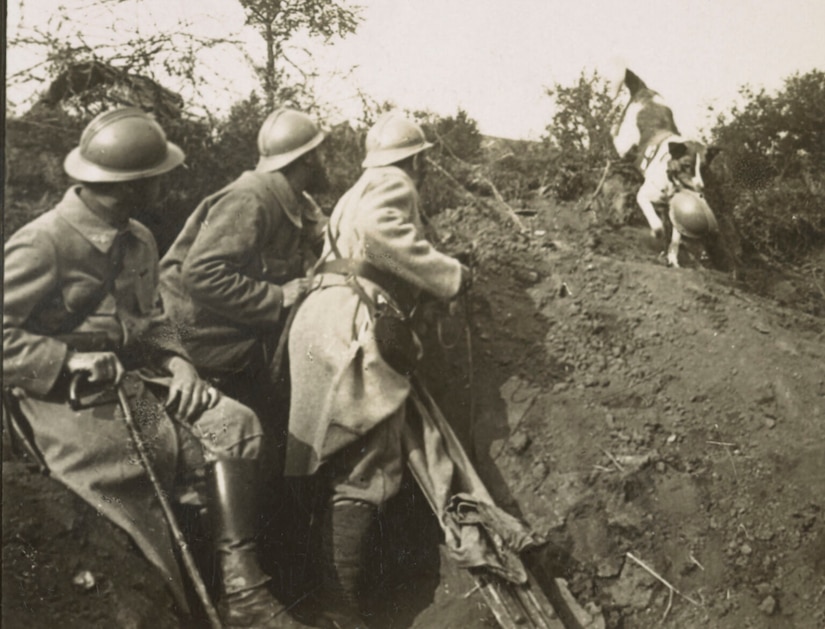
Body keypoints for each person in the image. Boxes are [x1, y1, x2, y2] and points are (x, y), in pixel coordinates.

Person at [2, 108, 293, 628]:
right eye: (159, 176)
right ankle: (166, 604)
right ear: (134, 185)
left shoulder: (139, 237)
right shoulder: (43, 242)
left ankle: (244, 594)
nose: (166, 183)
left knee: (236, 424)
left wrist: (180, 364)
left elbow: (154, 318)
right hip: (59, 399)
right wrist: (67, 360)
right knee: (136, 466)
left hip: (136, 382)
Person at [285, 112, 471, 628]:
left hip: (318, 321)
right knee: (368, 467)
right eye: (421, 161)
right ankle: (339, 611)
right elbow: (378, 230)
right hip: (351, 325)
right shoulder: (393, 182)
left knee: (334, 461)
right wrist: (450, 274)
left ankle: (326, 598)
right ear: (414, 160)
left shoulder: (354, 189)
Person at [159, 108, 328, 444]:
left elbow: (325, 236)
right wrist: (279, 296)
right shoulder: (251, 197)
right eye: (321, 151)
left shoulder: (293, 198)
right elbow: (202, 275)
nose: (326, 160)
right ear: (308, 159)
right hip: (203, 344)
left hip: (241, 337)